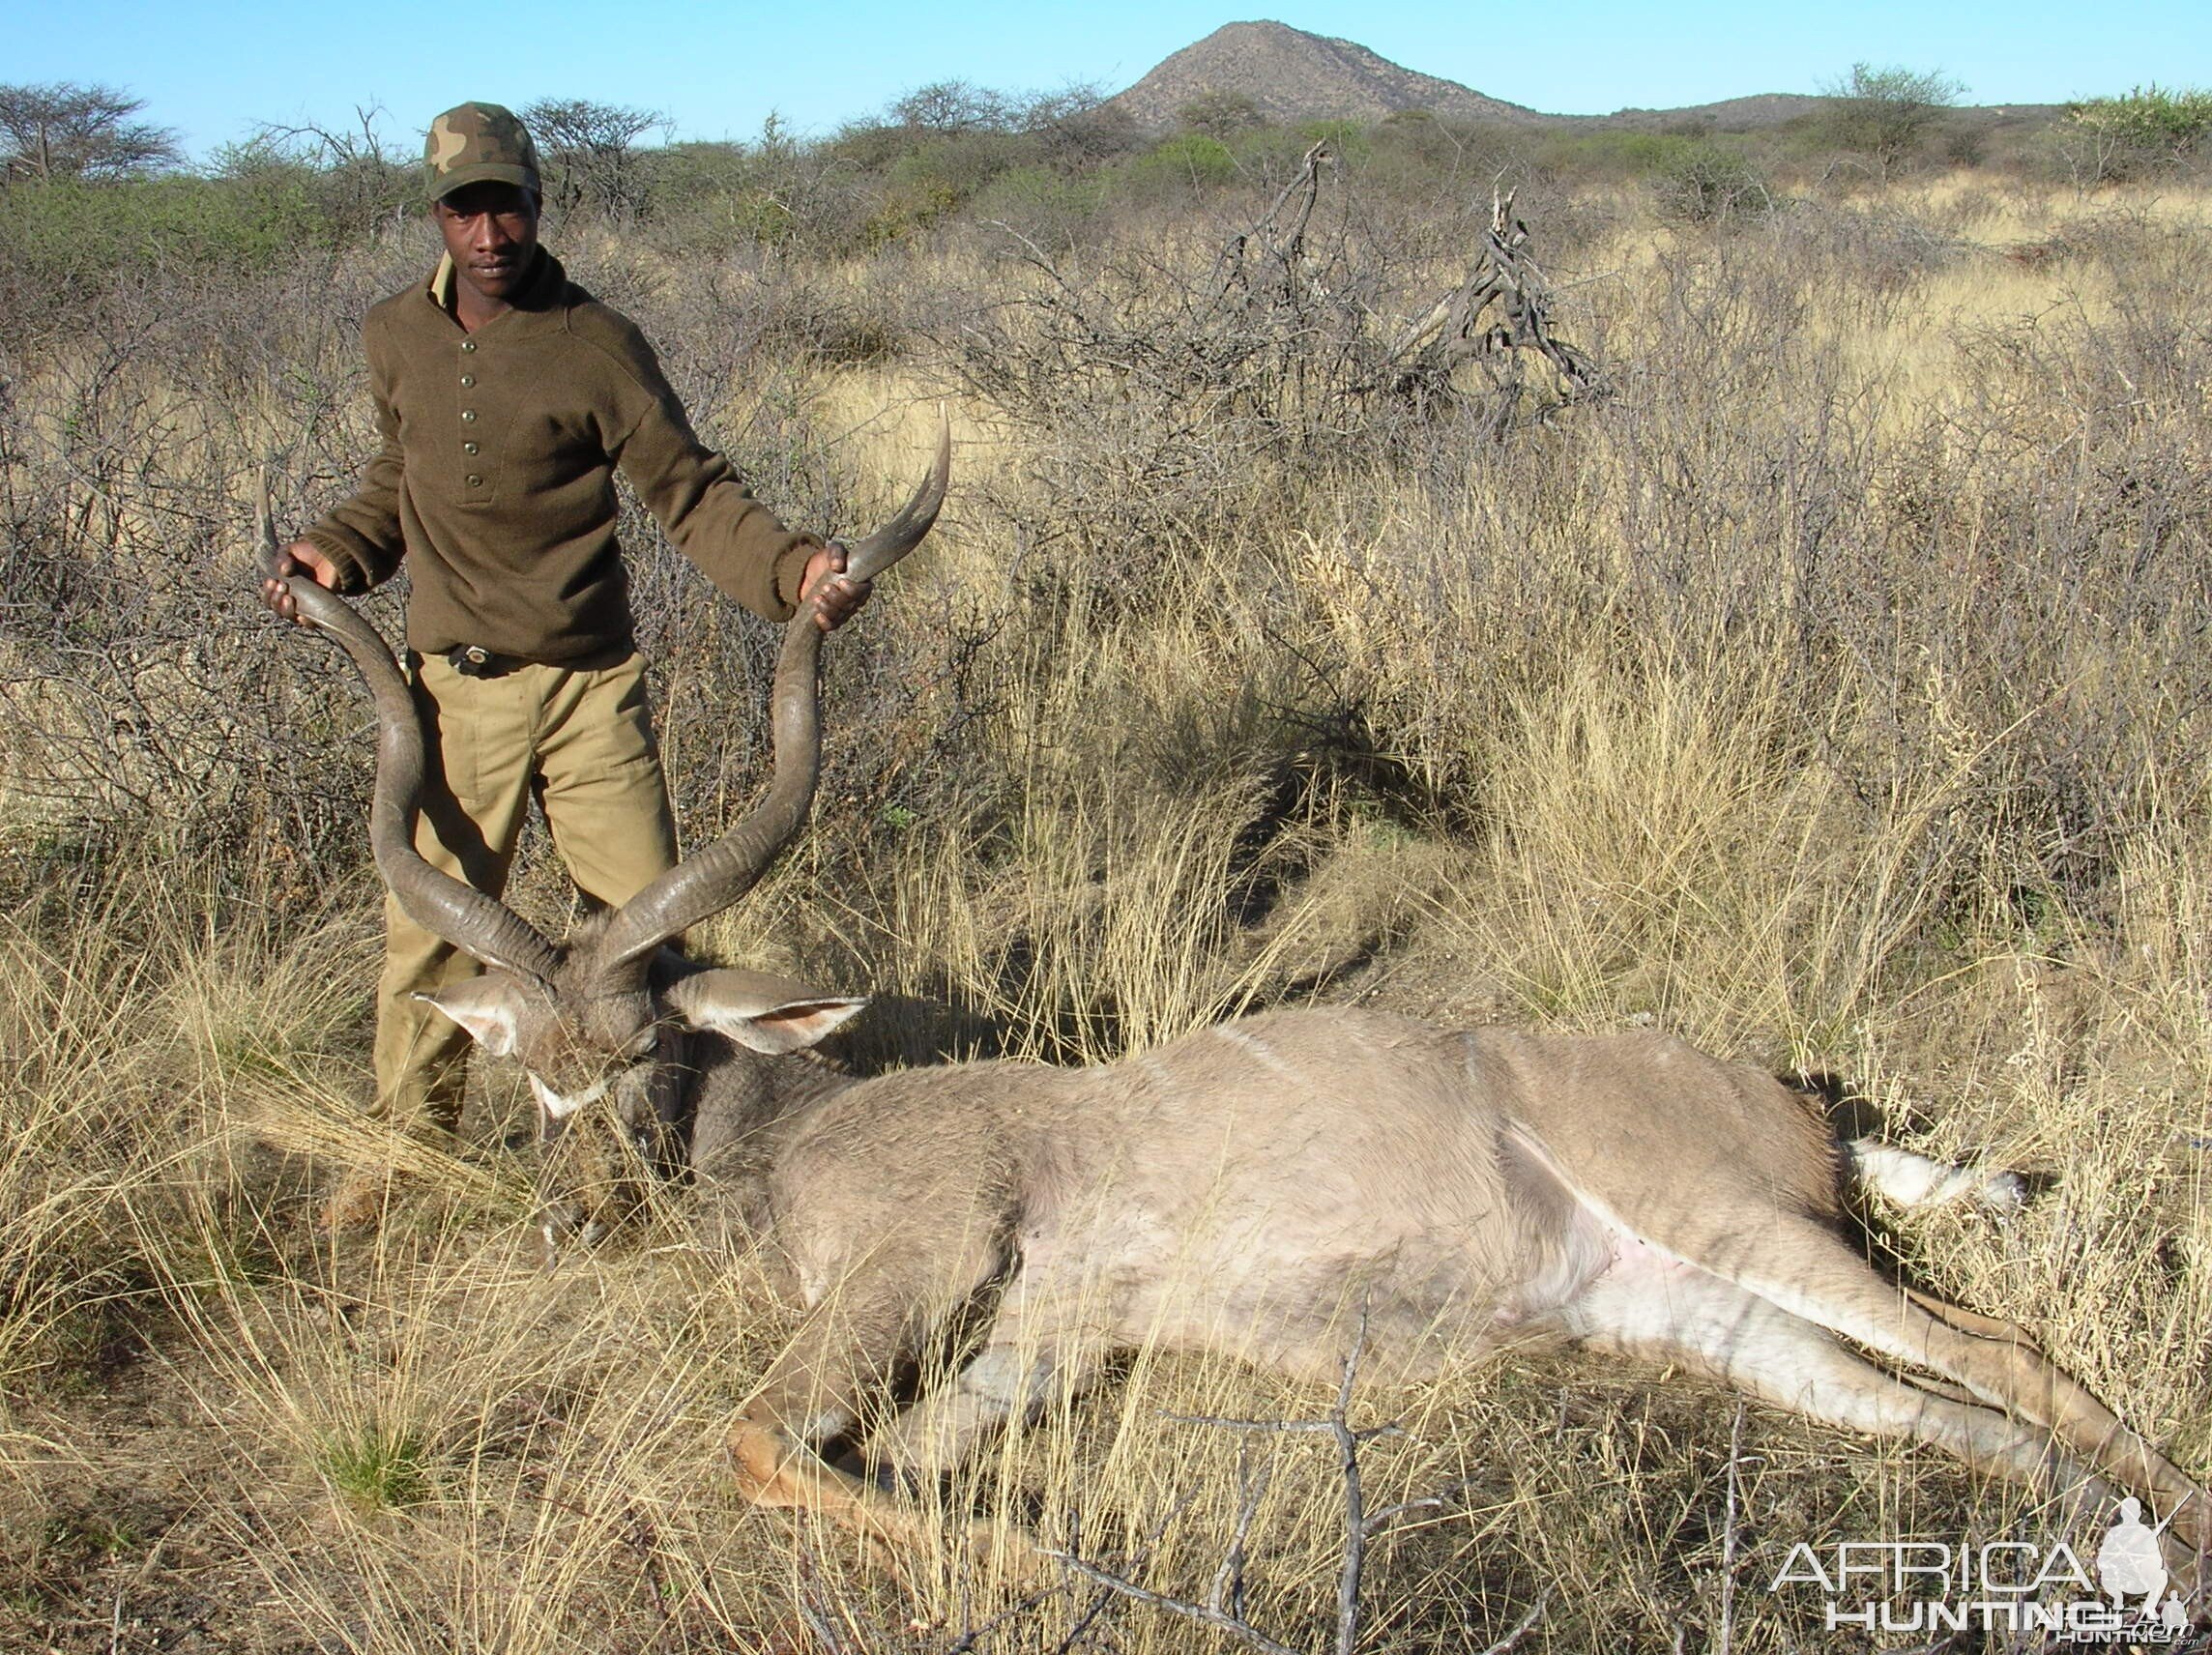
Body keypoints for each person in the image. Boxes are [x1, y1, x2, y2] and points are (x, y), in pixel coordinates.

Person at [262, 101, 868, 1142]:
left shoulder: (596, 342)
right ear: (437, 215)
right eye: (465, 211)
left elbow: (690, 490)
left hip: (591, 691)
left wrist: (791, 568)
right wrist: (335, 551)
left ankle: (676, 1144)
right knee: (432, 942)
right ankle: (406, 1156)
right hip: (455, 692)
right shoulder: (393, 333)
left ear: (540, 205)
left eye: (507, 208)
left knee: (650, 931)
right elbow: (396, 477)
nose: (489, 235)